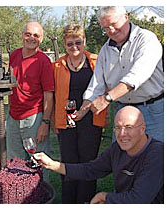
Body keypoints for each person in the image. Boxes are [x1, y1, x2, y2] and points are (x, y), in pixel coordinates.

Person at [34, 106, 164, 204]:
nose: (122, 134)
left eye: (129, 127)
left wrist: (104, 196)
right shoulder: (117, 149)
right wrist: (52, 165)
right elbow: (91, 170)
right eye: (118, 128)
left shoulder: (157, 154)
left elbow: (138, 200)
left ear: (142, 129)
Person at [80, 6, 164, 142]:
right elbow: (96, 84)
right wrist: (83, 109)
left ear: (126, 17)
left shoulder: (147, 39)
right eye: (106, 28)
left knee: (156, 157)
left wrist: (106, 99)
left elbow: (137, 76)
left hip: (153, 110)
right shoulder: (105, 51)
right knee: (122, 158)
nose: (111, 31)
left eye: (113, 24)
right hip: (122, 109)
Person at [52, 23, 108, 203]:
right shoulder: (57, 65)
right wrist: (54, 120)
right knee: (68, 162)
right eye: (70, 44)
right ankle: (68, 201)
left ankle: (86, 201)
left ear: (84, 41)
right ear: (64, 44)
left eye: (78, 42)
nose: (74, 47)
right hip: (66, 119)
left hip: (91, 120)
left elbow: (105, 88)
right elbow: (52, 96)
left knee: (89, 162)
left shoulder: (96, 61)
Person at [6, 22, 54, 182]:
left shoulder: (43, 61)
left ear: (41, 39)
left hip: (33, 118)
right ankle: (18, 195)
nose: (31, 38)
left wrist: (45, 123)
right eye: (28, 34)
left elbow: (48, 95)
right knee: (15, 162)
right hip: (13, 116)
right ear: (22, 35)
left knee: (37, 161)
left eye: (36, 35)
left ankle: (41, 196)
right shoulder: (14, 55)